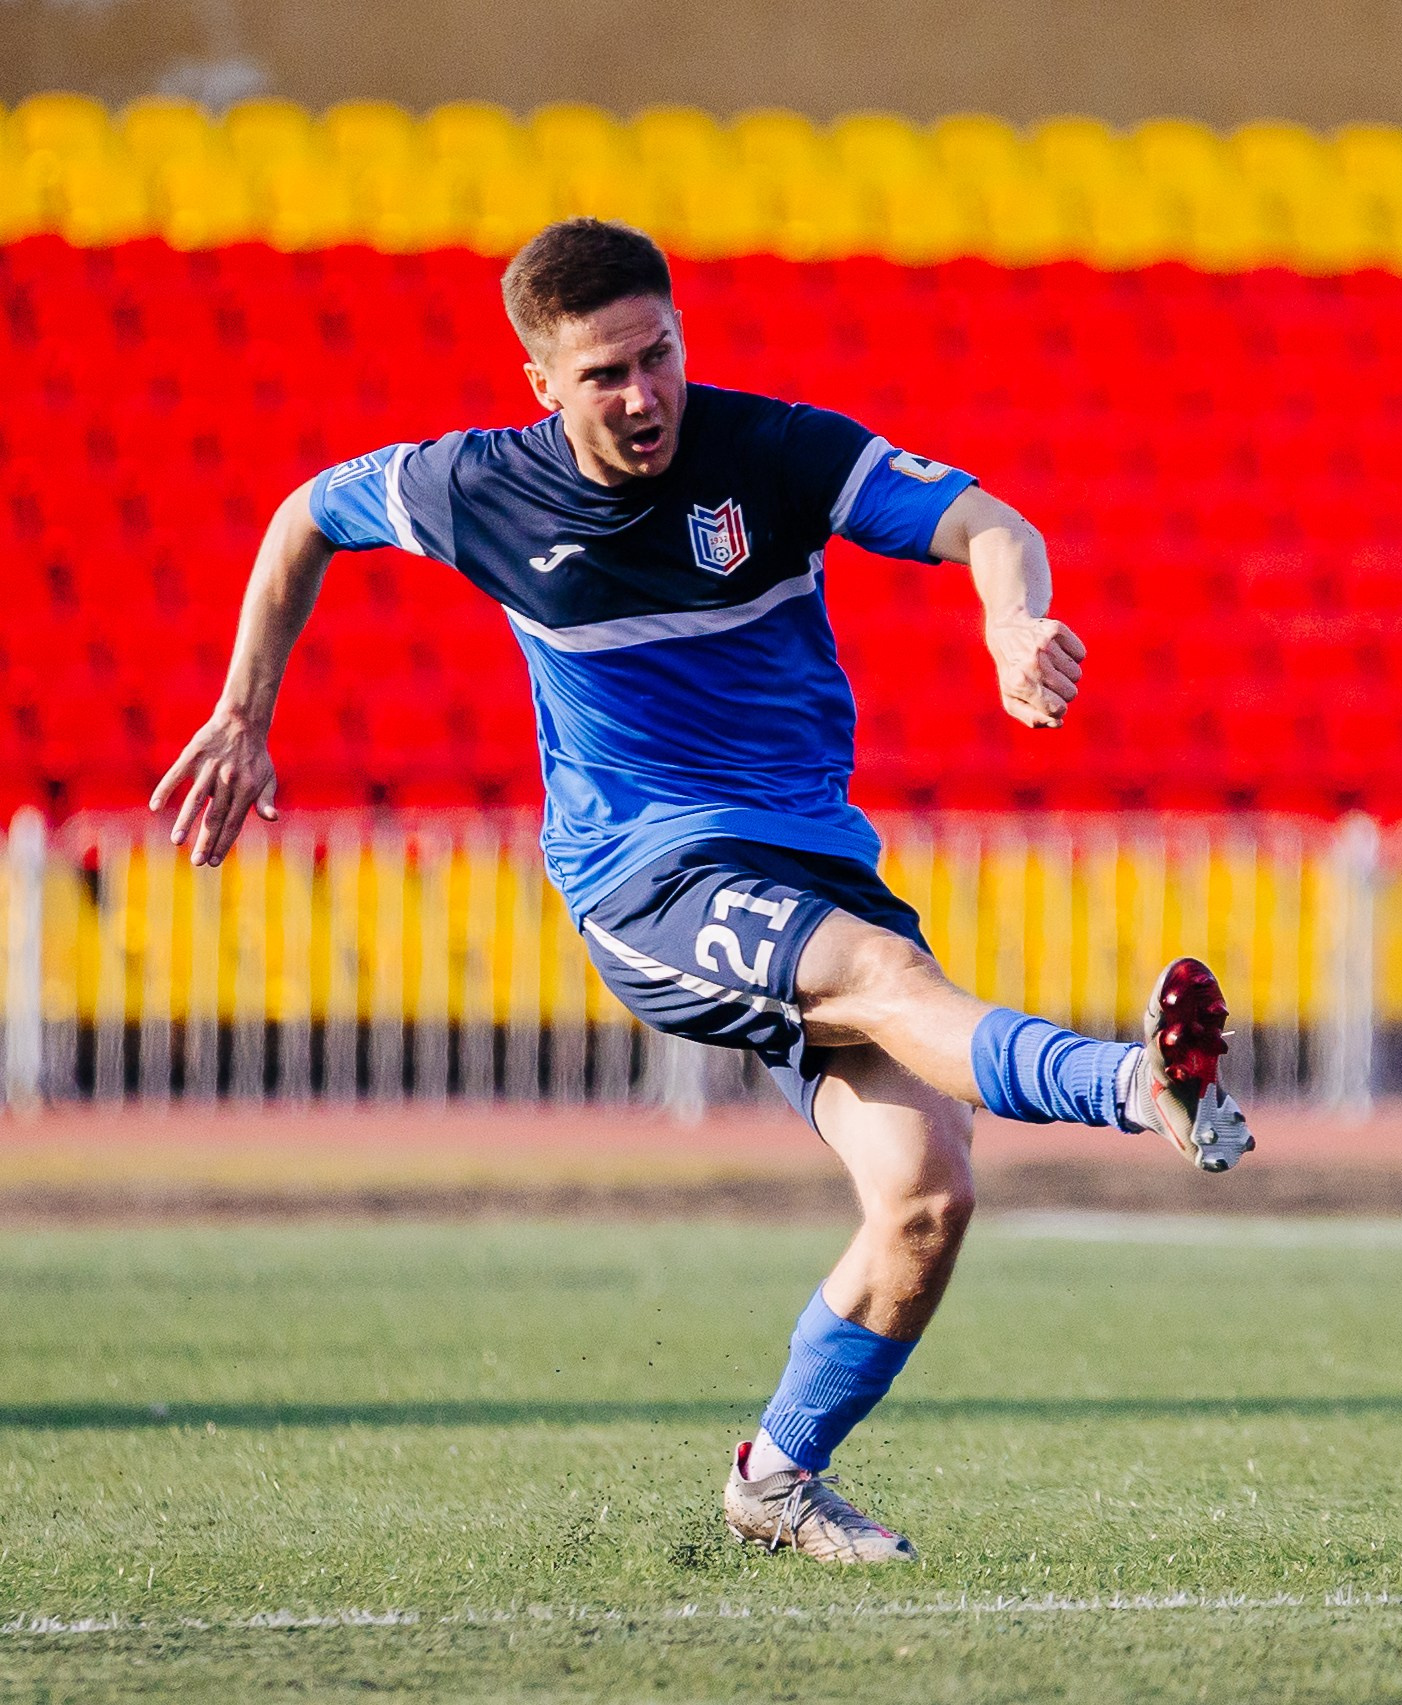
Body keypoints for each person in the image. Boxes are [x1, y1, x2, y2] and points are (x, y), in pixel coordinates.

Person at [150, 216, 1256, 1565]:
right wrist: (245, 710)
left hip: (808, 860)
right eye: (605, 371)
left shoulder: (769, 454)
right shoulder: (472, 488)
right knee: (884, 980)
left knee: (924, 1193)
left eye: (658, 354)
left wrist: (1008, 618)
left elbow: (984, 520)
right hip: (645, 874)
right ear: (540, 384)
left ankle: (776, 1475)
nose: (643, 393)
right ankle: (1141, 1088)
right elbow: (302, 516)